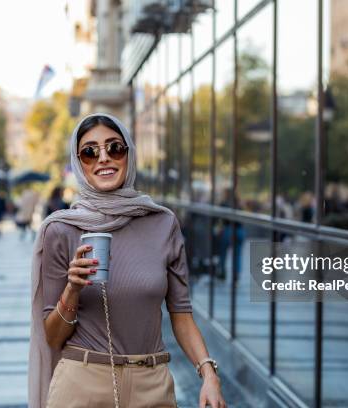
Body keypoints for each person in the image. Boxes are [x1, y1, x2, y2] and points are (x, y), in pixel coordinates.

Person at [28, 113, 226, 408]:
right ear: (79, 162)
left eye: (115, 148)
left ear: (129, 155)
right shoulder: (61, 229)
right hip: (82, 386)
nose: (104, 158)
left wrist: (209, 375)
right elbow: (53, 337)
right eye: (90, 152)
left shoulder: (162, 223)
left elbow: (181, 315)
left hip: (152, 385)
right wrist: (72, 288)